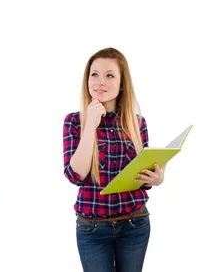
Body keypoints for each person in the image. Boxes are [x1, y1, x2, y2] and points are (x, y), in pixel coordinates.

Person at [63, 47, 165, 272]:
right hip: (92, 228)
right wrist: (90, 124)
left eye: (109, 75)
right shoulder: (74, 122)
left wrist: (155, 178)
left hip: (134, 222)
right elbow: (75, 175)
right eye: (94, 74)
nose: (100, 82)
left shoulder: (137, 123)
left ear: (121, 84)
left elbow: (141, 174)